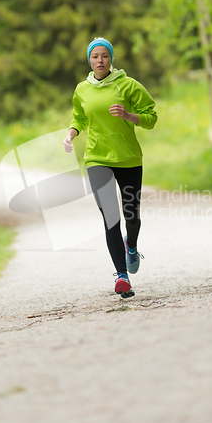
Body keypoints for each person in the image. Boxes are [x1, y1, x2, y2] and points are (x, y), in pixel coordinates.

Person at [63, 37, 158, 298]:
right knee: (110, 217)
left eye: (104, 56)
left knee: (132, 216)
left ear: (111, 59)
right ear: (89, 60)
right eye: (95, 56)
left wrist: (129, 116)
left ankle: (132, 245)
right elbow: (79, 116)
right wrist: (71, 134)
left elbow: (151, 116)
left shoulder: (128, 86)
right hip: (97, 158)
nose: (100, 61)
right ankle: (122, 276)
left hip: (127, 157)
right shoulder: (82, 89)